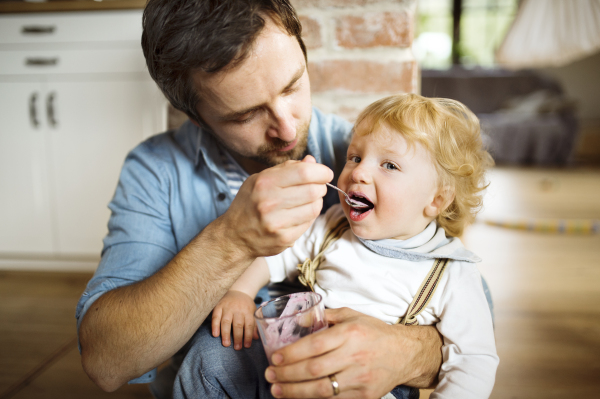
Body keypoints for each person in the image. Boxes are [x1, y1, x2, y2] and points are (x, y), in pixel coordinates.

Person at [75, 0, 488, 397]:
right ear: (197, 115)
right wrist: (232, 240)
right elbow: (106, 362)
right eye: (246, 114)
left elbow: (463, 302)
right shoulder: (155, 172)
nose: (288, 130)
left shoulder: (367, 155)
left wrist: (401, 352)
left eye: (293, 86)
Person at [212, 94, 499, 398]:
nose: (358, 173)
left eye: (389, 165)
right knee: (211, 363)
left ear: (437, 199)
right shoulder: (333, 225)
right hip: (298, 364)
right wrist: (240, 292)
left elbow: (473, 361)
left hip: (372, 387)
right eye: (355, 157)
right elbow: (276, 254)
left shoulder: (453, 271)